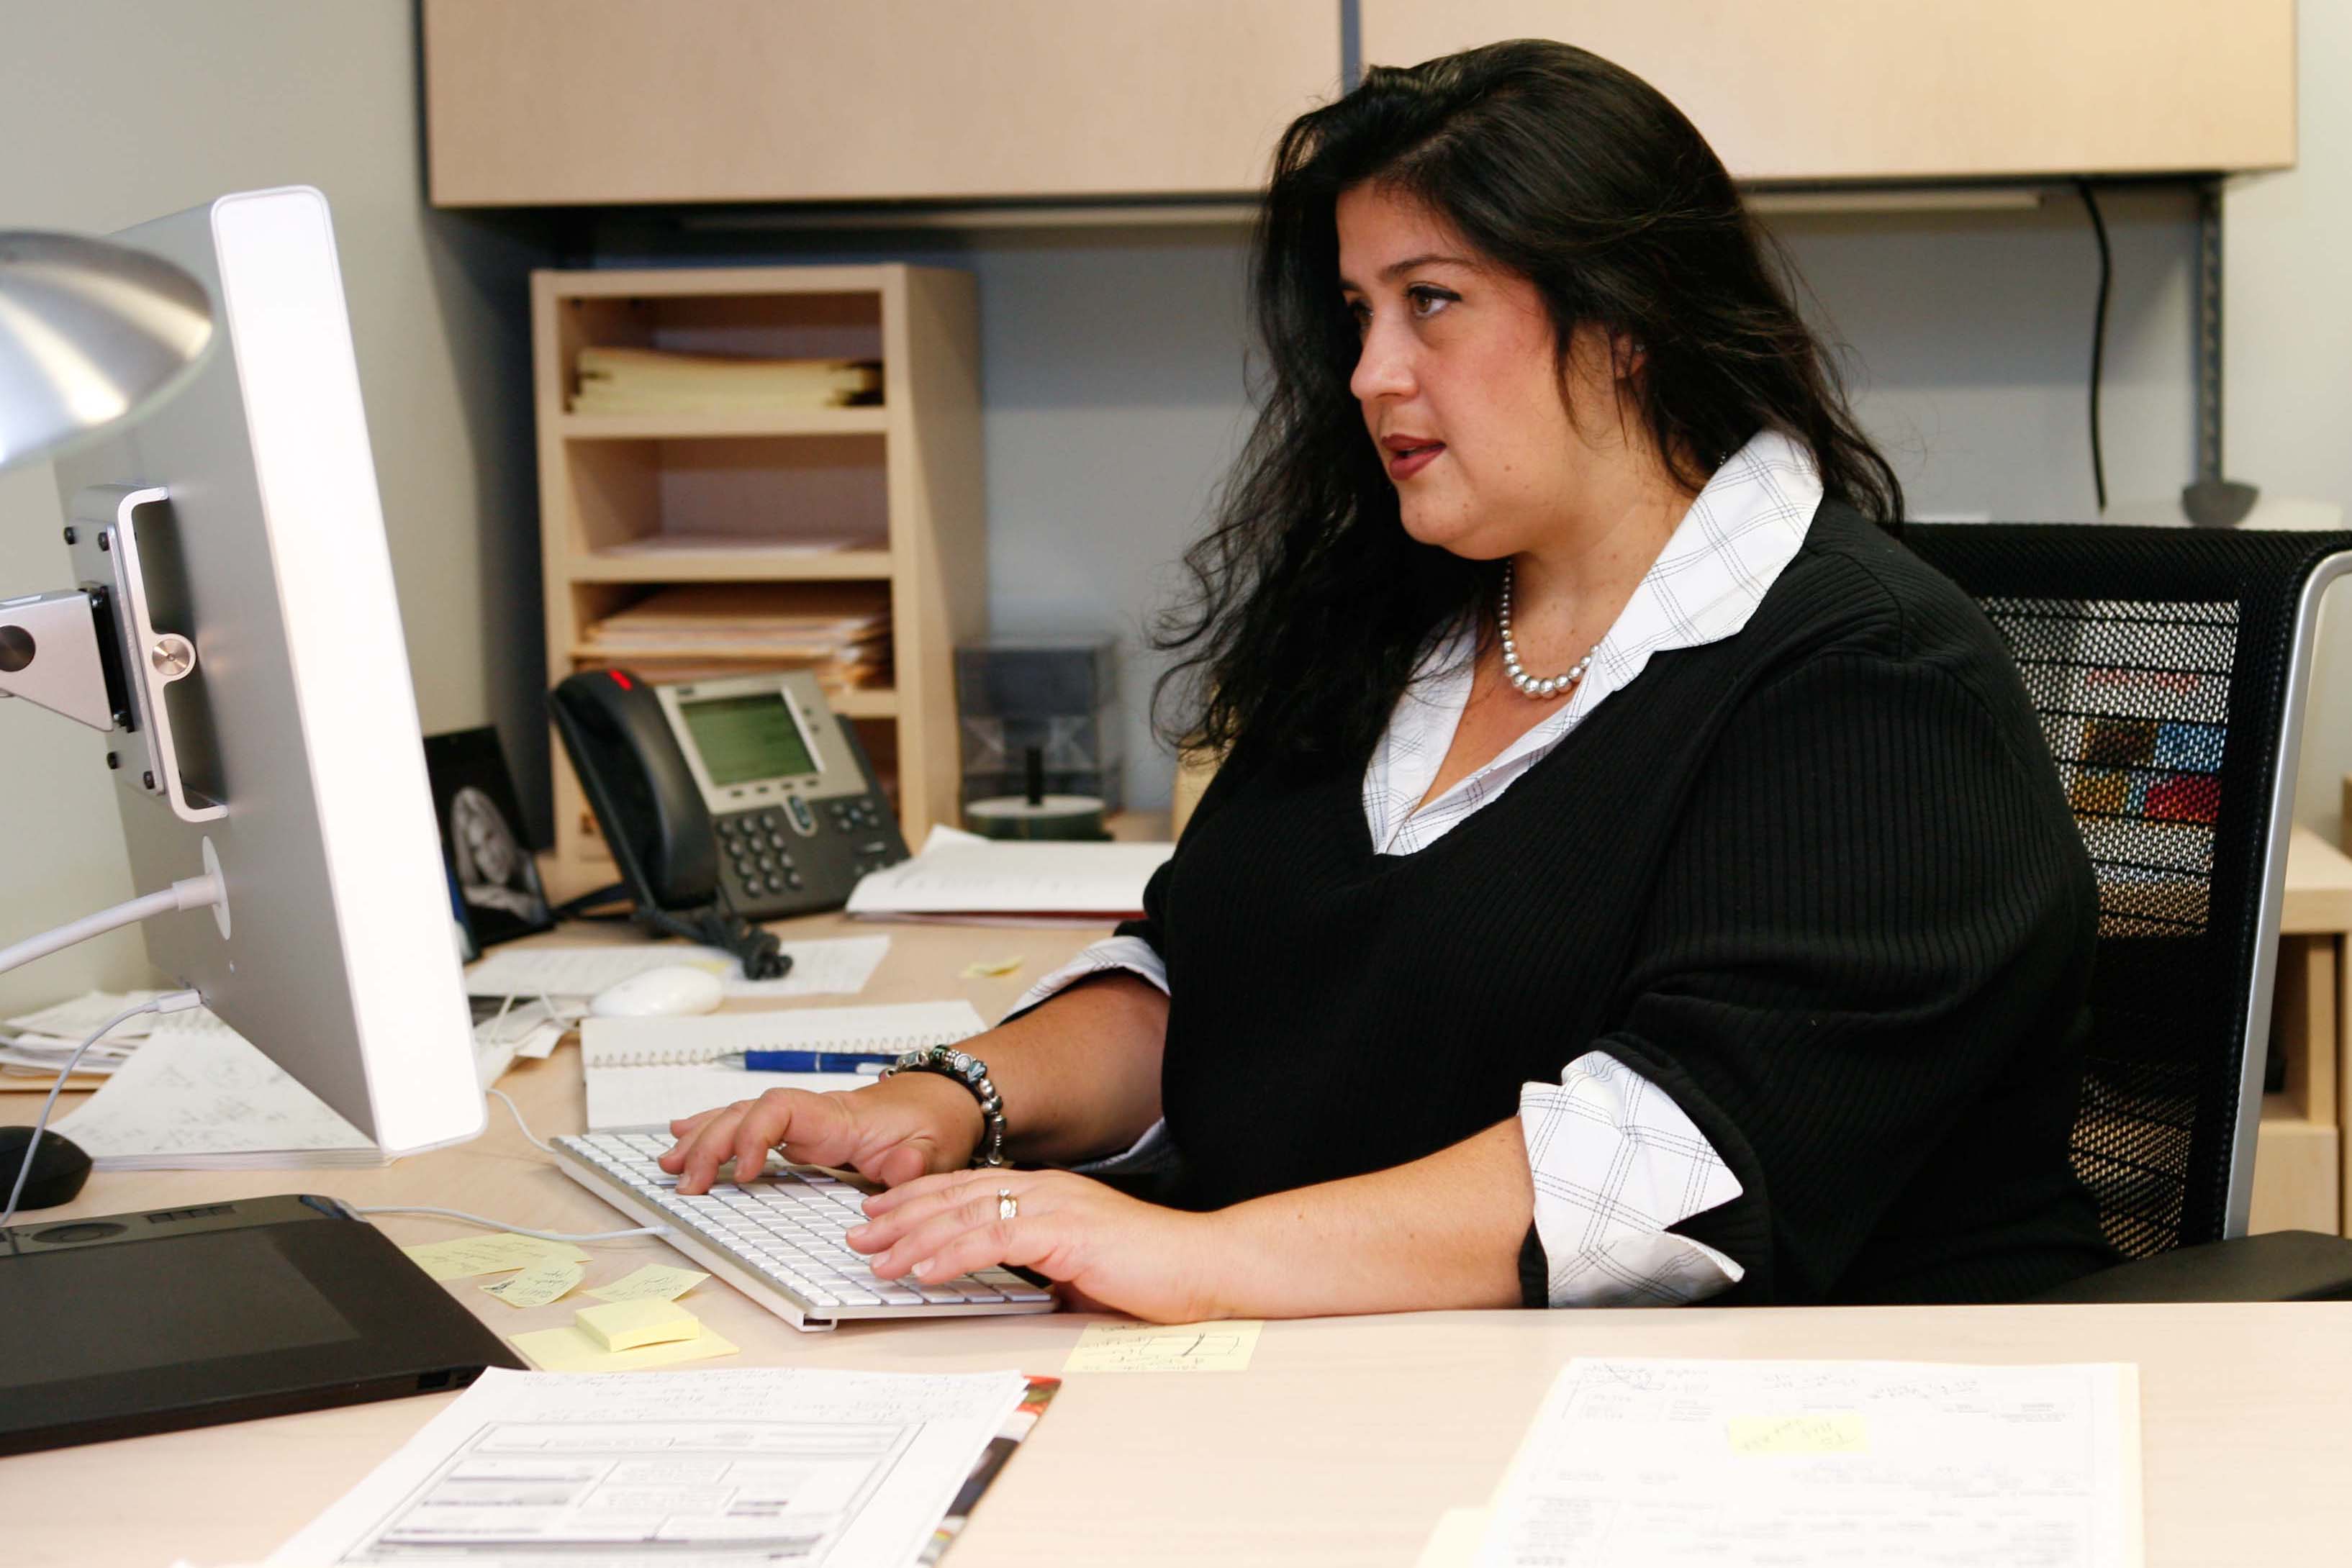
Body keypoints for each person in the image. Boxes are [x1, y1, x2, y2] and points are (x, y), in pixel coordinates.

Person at [664, 40, 2117, 1319]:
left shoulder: (1870, 679)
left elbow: (1667, 1168)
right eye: (1357, 312)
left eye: (1430, 302)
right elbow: (1208, 971)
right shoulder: (1406, 618)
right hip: (1401, 1373)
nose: (1367, 372)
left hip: (1804, 1428)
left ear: (1624, 322)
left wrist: (1195, 1256)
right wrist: (952, 1098)